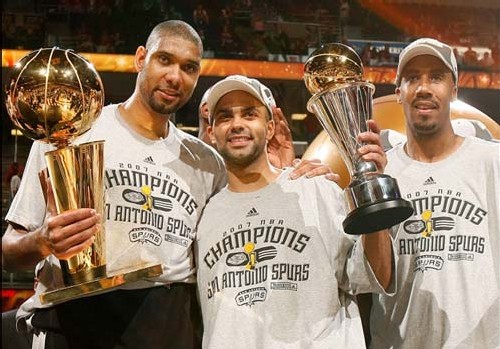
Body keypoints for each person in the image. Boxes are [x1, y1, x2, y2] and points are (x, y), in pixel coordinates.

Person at [2, 20, 333, 349]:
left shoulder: (207, 163)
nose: (175, 77)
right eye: (165, 60)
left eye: (188, 67)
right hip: (74, 319)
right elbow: (10, 250)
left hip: (167, 322)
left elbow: (250, 211)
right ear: (141, 58)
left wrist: (290, 176)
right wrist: (42, 242)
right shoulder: (71, 130)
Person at [195, 74, 396, 348]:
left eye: (249, 114)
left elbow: (375, 276)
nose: (237, 125)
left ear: (269, 128)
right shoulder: (205, 215)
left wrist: (372, 193)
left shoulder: (315, 189)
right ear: (211, 133)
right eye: (225, 117)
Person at [368, 38, 500, 348]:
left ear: (454, 89)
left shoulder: (492, 161)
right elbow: (370, 278)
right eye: (413, 78)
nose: (424, 88)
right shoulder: (381, 172)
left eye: (436, 77)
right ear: (398, 92)